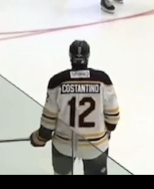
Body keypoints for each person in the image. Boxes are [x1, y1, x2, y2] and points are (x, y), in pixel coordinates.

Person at [29, 39, 120, 175]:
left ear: (70, 56)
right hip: (95, 146)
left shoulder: (57, 81)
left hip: (63, 145)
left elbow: (48, 124)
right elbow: (113, 118)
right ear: (88, 56)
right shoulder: (102, 80)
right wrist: (106, 132)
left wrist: (39, 138)